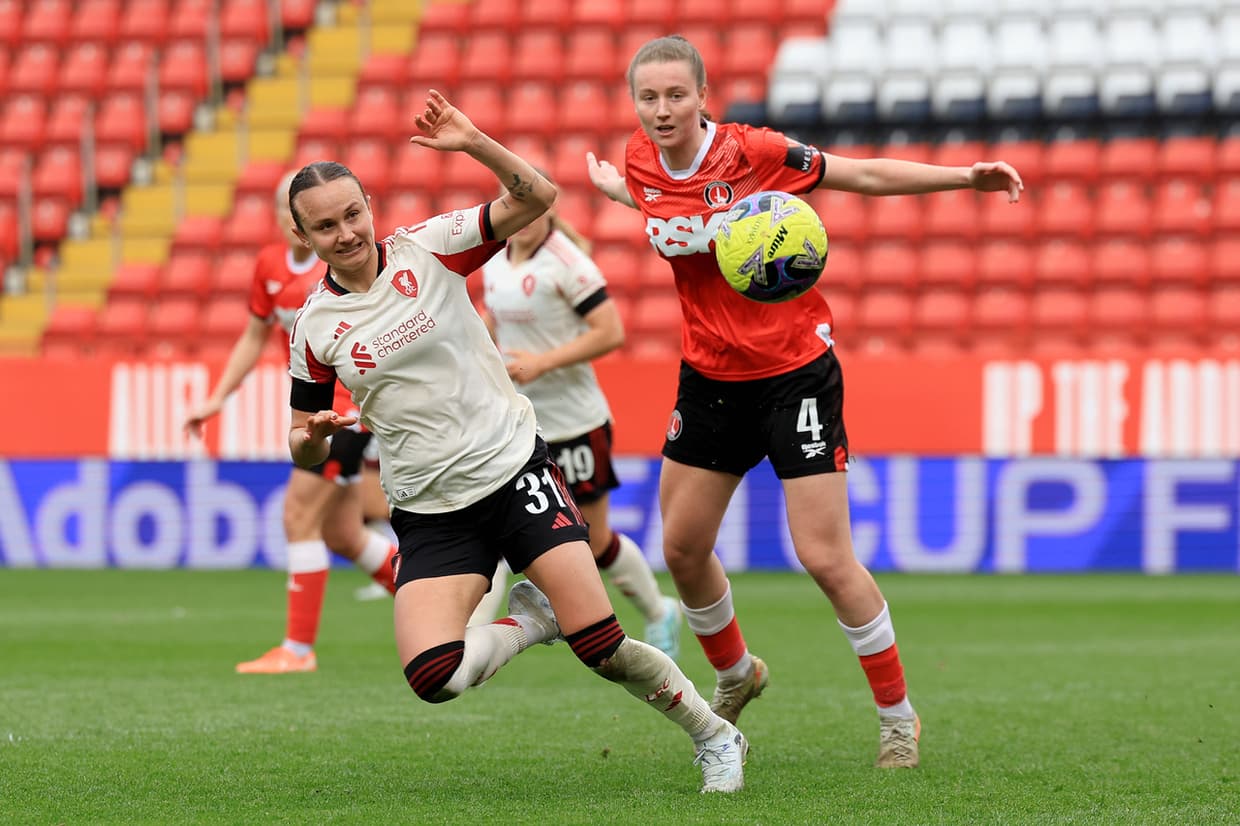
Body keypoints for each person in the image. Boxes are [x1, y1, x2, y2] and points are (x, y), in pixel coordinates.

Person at [284, 90, 748, 793]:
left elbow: (536, 196)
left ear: (369, 207)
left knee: (602, 647)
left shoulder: (433, 249)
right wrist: (312, 440)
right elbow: (301, 441)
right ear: (305, 237)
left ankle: (716, 737)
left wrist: (472, 139)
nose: (345, 233)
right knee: (433, 678)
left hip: (513, 473)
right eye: (325, 227)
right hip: (430, 512)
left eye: (352, 214)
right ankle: (531, 621)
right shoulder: (314, 328)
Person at [586, 35, 1025, 768]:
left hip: (795, 374)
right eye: (649, 97)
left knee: (824, 556)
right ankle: (737, 673)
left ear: (702, 95)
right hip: (711, 378)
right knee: (684, 549)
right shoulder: (638, 159)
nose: (662, 110)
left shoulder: (754, 151)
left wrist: (962, 179)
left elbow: (865, 176)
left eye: (676, 95)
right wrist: (610, 188)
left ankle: (896, 718)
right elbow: (654, 199)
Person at [184, 171, 401, 674]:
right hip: (317, 411)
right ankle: (440, 602)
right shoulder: (267, 265)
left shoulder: (339, 269)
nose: (291, 220)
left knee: (297, 518)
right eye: (287, 212)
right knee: (344, 534)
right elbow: (253, 336)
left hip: (343, 413)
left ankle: (298, 651)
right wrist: (217, 398)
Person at [479, 198, 683, 658]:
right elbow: (499, 314)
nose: (525, 221)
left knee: (594, 539)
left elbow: (610, 332)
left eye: (534, 211)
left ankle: (659, 610)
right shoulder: (495, 259)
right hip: (521, 423)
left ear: (548, 211)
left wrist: (542, 362)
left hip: (576, 423)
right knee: (494, 530)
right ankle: (474, 637)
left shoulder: (568, 263)